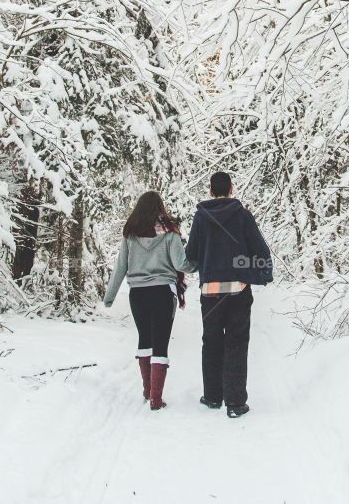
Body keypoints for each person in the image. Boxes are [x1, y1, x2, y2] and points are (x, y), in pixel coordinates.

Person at [184, 171, 273, 419]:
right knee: (237, 342)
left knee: (211, 341)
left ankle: (213, 396)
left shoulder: (200, 219)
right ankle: (235, 402)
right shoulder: (243, 216)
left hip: (210, 292)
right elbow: (259, 248)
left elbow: (191, 254)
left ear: (211, 190)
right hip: (238, 291)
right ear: (231, 189)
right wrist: (262, 273)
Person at [104, 191, 197, 410]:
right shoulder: (170, 231)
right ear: (160, 207)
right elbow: (179, 263)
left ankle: (147, 390)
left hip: (138, 294)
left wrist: (109, 297)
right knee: (161, 342)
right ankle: (156, 399)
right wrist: (198, 265)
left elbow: (121, 267)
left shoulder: (131, 233)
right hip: (163, 291)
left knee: (144, 338)